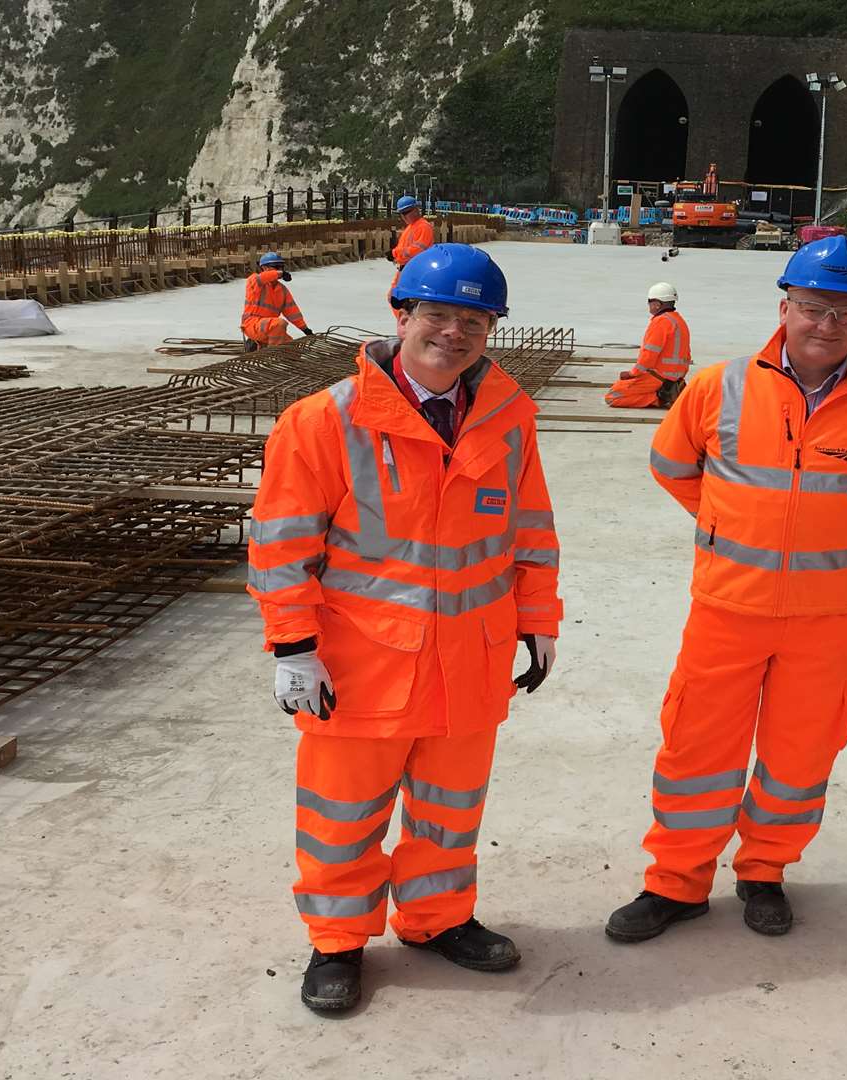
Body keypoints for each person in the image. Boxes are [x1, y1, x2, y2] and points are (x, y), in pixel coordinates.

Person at [246, 243, 563, 1014]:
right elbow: (282, 545)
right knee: (342, 816)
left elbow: (531, 527)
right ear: (402, 316)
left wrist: (538, 619)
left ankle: (437, 920)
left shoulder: (507, 415)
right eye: (439, 315)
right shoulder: (325, 421)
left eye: (475, 320)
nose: (454, 333)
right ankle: (337, 941)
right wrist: (293, 647)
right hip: (362, 669)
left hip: (472, 660)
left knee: (450, 813)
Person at [605, 236, 847, 942]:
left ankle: (765, 871)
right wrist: (730, 524)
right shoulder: (719, 386)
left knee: (800, 754)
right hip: (728, 607)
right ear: (785, 306)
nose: (828, 325)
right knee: (697, 747)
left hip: (827, 618)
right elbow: (671, 464)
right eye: (814, 307)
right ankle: (676, 882)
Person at [605, 282, 692, 409]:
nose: (649, 305)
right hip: (675, 378)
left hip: (658, 377)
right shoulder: (679, 321)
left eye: (649, 301)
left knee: (613, 396)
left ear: (657, 304)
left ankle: (661, 398)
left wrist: (632, 373)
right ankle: (669, 392)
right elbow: (687, 354)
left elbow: (649, 355)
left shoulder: (661, 322)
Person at [241, 251, 311, 350]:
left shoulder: (282, 290)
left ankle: (260, 344)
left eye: (281, 267)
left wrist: (305, 329)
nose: (280, 269)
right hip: (252, 325)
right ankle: (271, 354)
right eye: (276, 266)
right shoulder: (255, 281)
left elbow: (293, 312)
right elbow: (263, 277)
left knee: (293, 350)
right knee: (280, 324)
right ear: (264, 268)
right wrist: (279, 274)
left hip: (271, 328)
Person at [387, 195, 436, 301]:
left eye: (406, 212)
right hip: (405, 269)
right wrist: (396, 256)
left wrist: (394, 253)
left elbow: (417, 250)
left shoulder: (423, 227)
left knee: (400, 299)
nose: (404, 216)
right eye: (401, 213)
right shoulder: (412, 227)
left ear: (416, 210)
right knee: (395, 298)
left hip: (415, 270)